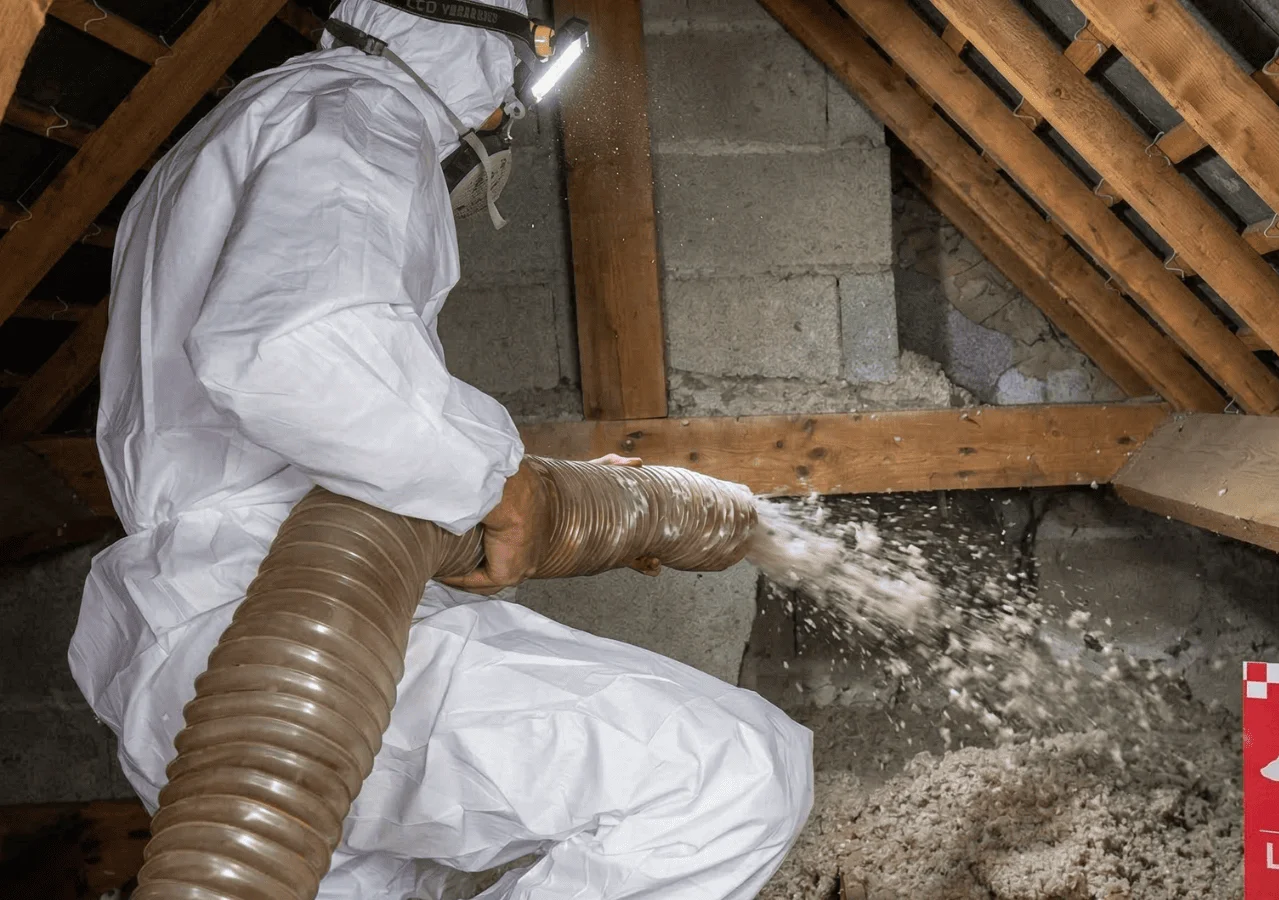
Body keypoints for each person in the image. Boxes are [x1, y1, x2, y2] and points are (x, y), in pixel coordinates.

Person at [67, 1, 813, 897]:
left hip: (225, 645)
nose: (505, 111)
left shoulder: (244, 125)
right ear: (475, 36)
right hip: (285, 615)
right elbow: (299, 352)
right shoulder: (360, 111)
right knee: (728, 776)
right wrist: (495, 485)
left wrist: (534, 491)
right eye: (520, 68)